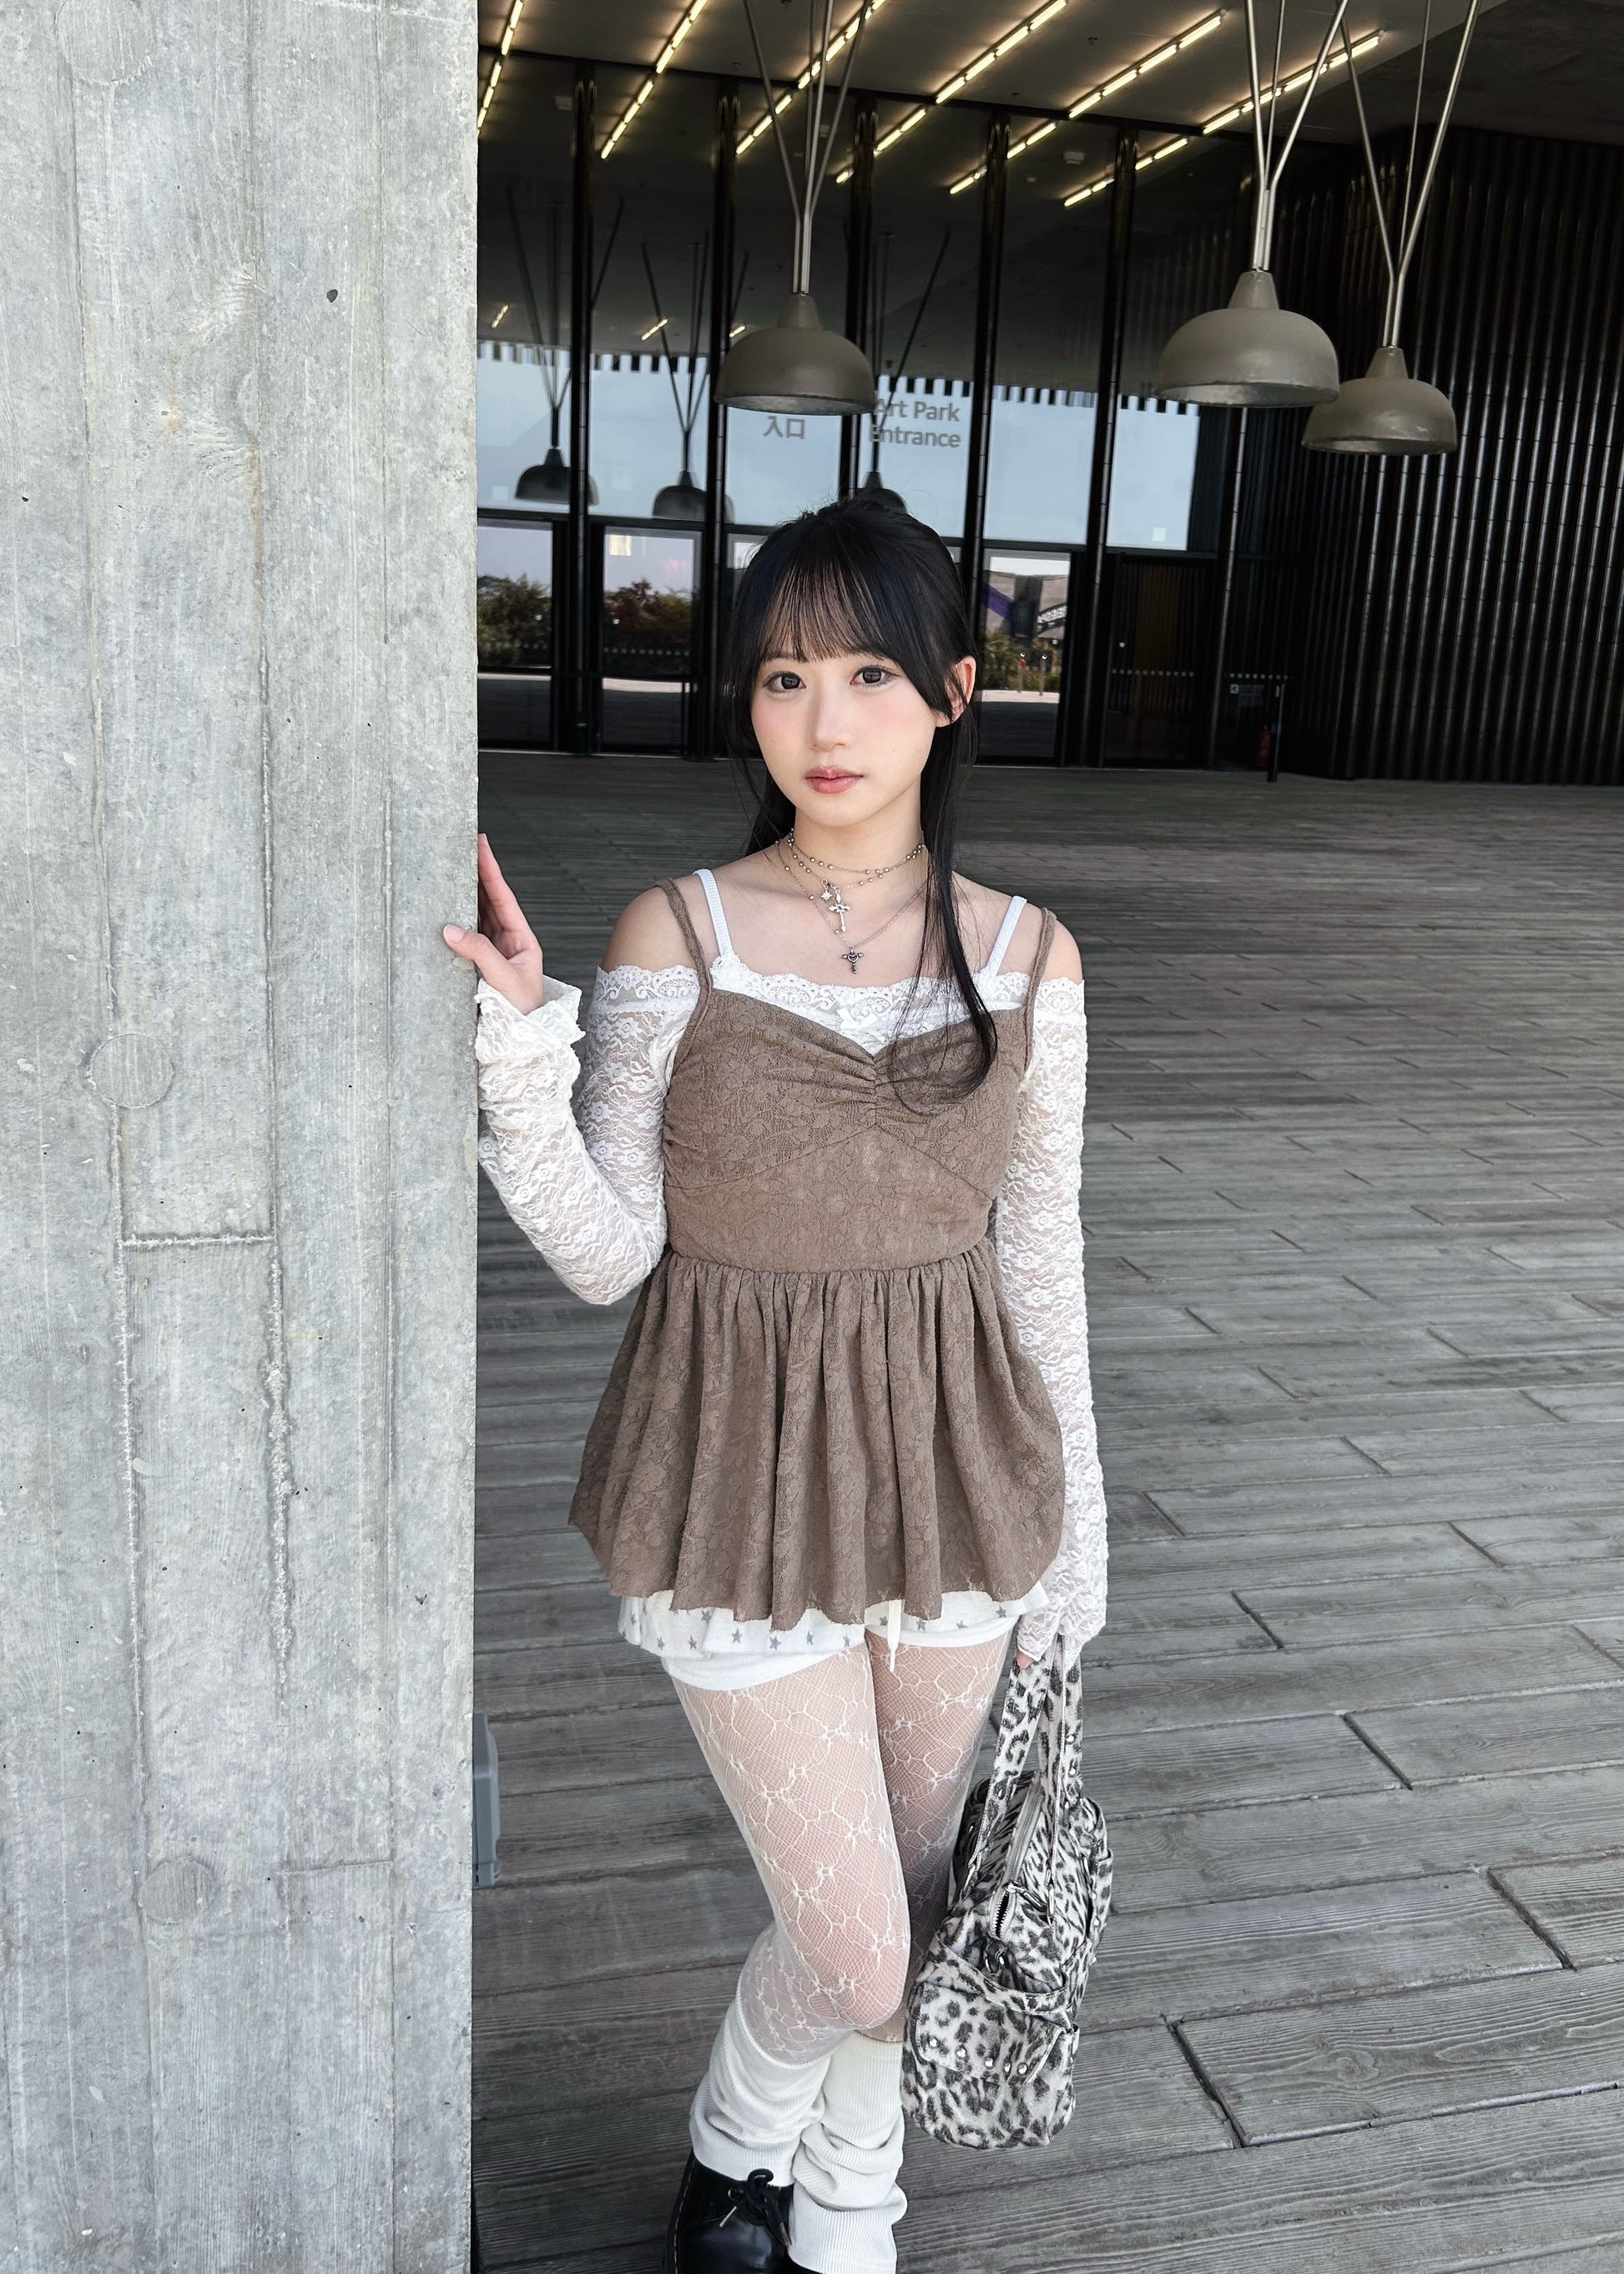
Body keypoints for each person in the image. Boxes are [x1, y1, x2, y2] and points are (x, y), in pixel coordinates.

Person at [443, 496, 1107, 2273]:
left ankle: (816, 2189)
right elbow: (606, 1252)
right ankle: (756, 2148)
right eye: (784, 676)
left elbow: (1040, 1257)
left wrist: (1075, 1553)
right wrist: (520, 1048)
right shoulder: (676, 933)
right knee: (858, 1939)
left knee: (898, 1895)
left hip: (956, 1473)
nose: (825, 720)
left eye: (872, 674)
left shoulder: (1030, 953)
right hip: (729, 1470)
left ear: (955, 692)